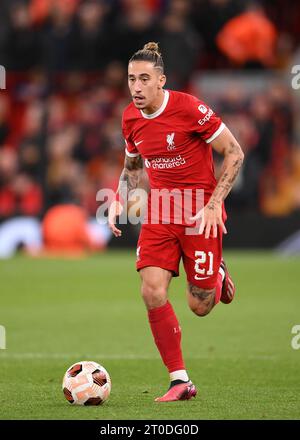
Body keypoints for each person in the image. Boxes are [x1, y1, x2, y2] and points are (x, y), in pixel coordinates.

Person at [108, 42, 244, 402]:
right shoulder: (130, 119)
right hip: (161, 211)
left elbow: (234, 152)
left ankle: (216, 275)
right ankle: (179, 380)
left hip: (200, 209)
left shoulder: (189, 108)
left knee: (200, 305)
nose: (136, 87)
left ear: (161, 81)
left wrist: (215, 204)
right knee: (151, 290)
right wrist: (120, 196)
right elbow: (133, 166)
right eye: (131, 79)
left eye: (144, 79)